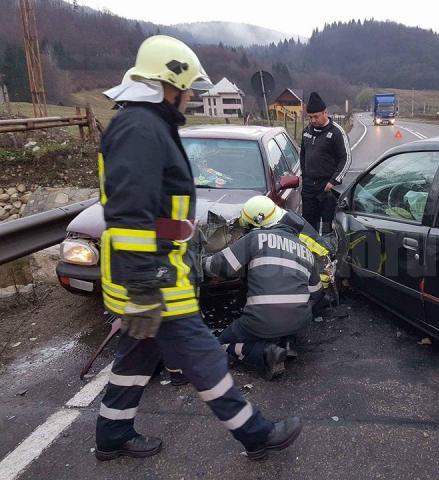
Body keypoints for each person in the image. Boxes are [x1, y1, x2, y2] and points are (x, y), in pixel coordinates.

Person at [94, 35, 301, 462]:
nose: (190, 97)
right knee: (205, 356)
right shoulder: (142, 129)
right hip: (154, 278)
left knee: (136, 357)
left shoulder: (142, 124)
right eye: (188, 89)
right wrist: (146, 285)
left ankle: (112, 435)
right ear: (169, 83)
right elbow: (132, 214)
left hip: (148, 271)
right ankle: (256, 434)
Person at [201, 195, 324, 379]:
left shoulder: (255, 238)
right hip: (300, 321)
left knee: (221, 343)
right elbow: (316, 293)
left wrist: (199, 262)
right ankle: (286, 341)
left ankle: (266, 352)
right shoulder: (305, 249)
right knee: (277, 322)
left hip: (260, 321)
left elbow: (221, 266)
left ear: (255, 225)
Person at [300, 92, 351, 234]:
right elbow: (303, 156)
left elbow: (345, 158)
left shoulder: (336, 132)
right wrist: (305, 177)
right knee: (309, 225)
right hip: (309, 187)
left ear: (325, 113)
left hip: (328, 188)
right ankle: (311, 252)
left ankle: (329, 253)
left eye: (316, 116)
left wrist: (334, 181)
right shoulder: (306, 132)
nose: (313, 120)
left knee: (329, 225)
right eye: (310, 117)